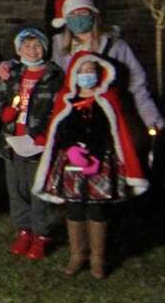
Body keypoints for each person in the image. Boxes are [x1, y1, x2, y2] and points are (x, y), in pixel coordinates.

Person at [34, 53, 149, 278]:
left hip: (100, 161)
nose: (87, 76)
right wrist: (70, 148)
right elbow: (59, 130)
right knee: (74, 207)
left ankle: (97, 258)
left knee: (97, 208)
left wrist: (96, 153)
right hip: (71, 163)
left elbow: (114, 131)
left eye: (91, 71)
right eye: (82, 71)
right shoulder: (66, 99)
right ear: (74, 75)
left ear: (99, 74)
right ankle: (78, 254)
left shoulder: (107, 98)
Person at [0, 0, 165, 134]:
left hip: (107, 114)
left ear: (93, 15)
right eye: (72, 15)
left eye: (83, 13)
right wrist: (10, 65)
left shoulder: (115, 46)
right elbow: (33, 61)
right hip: (68, 114)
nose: (78, 19)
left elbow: (136, 84)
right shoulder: (57, 44)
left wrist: (150, 118)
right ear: (66, 19)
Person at [0, 28, 63, 260]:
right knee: (17, 188)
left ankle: (42, 234)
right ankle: (24, 230)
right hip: (12, 141)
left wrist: (46, 133)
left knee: (37, 188)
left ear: (44, 48)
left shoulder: (54, 76)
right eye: (27, 46)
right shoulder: (13, 74)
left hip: (38, 142)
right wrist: (4, 112)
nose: (32, 51)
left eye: (37, 46)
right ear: (19, 49)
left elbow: (60, 108)